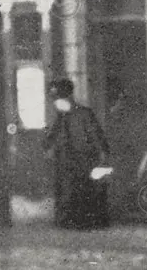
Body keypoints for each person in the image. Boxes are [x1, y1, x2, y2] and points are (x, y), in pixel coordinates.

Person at [44, 78, 110, 230]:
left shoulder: (84, 114)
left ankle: (82, 221)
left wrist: (102, 155)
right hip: (65, 163)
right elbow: (51, 138)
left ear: (67, 97)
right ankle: (67, 221)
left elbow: (96, 136)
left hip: (84, 161)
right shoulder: (60, 118)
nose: (54, 103)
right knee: (67, 191)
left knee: (83, 190)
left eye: (57, 98)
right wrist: (49, 148)